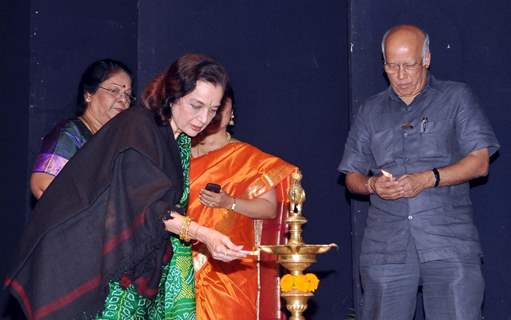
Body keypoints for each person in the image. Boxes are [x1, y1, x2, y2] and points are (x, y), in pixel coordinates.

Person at [5, 53, 247, 320]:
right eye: (196, 105)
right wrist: (207, 235)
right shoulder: (138, 126)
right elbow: (151, 209)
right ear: (173, 94)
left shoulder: (177, 139)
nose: (203, 119)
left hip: (126, 265)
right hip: (91, 263)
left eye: (213, 110)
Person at [338, 24, 500, 320]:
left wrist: (429, 178)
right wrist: (373, 185)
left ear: (426, 58)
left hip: (448, 241)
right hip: (386, 247)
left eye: (409, 65)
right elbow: (351, 177)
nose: (400, 76)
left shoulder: (456, 97)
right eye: (391, 66)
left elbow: (480, 161)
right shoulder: (370, 111)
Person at [189, 84, 297, 319]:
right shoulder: (176, 153)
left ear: (232, 113)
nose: (213, 114)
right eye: (206, 107)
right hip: (179, 269)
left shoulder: (249, 159)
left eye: (219, 106)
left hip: (228, 269)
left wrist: (229, 202)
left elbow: (269, 209)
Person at [31, 58, 134, 199]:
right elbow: (41, 184)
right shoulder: (70, 134)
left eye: (127, 94)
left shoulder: (117, 140)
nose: (123, 100)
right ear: (88, 94)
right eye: (114, 90)